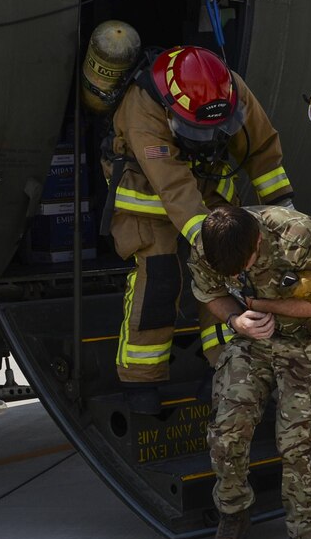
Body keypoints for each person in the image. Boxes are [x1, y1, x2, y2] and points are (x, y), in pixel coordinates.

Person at [107, 45, 294, 394]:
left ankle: (224, 365)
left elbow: (262, 151)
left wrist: (283, 209)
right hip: (147, 193)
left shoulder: (229, 89)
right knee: (160, 276)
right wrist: (209, 241)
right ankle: (141, 383)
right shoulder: (143, 107)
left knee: (228, 273)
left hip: (207, 186)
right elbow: (173, 184)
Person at [191, 206, 311, 539]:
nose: (237, 277)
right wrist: (235, 319)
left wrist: (259, 306)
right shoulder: (205, 244)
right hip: (254, 340)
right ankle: (233, 512)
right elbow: (211, 292)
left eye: (244, 266)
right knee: (227, 426)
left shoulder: (300, 237)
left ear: (258, 241)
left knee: (299, 444)